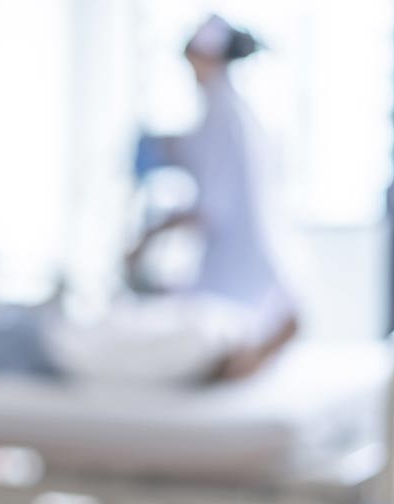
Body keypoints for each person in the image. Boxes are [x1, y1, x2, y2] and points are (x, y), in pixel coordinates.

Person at [127, 15, 298, 380]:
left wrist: (147, 238)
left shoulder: (220, 113)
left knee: (212, 340)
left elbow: (210, 209)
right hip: (249, 259)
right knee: (220, 332)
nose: (189, 71)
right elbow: (200, 157)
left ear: (207, 58)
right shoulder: (235, 110)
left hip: (236, 264)